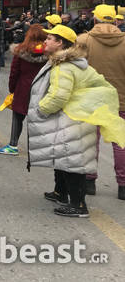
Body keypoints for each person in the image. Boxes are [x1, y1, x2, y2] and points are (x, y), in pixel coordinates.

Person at [28, 24, 124, 217]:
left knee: (72, 161)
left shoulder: (64, 67)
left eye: (50, 38)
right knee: (64, 158)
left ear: (60, 43)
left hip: (71, 120)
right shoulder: (70, 63)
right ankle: (61, 193)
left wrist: (40, 110)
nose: (45, 41)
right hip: (74, 118)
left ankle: (78, 205)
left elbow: (58, 97)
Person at [76, 5, 125, 200]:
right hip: (120, 100)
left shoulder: (83, 40)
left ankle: (89, 182)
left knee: (90, 141)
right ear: (116, 21)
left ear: (94, 20)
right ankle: (123, 186)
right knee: (120, 143)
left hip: (91, 100)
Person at [0, 25, 47, 156]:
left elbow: (14, 72)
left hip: (22, 89)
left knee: (17, 117)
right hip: (42, 89)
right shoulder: (48, 52)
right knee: (37, 120)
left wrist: (12, 88)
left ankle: (13, 145)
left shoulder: (21, 51)